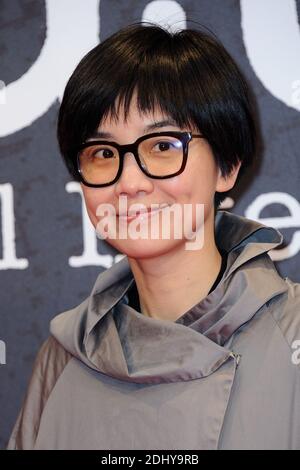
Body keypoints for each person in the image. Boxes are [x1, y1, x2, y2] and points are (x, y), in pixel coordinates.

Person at [7, 22, 300, 450]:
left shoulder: (291, 333)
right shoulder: (64, 354)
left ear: (227, 166)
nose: (129, 183)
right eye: (103, 153)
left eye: (162, 146)